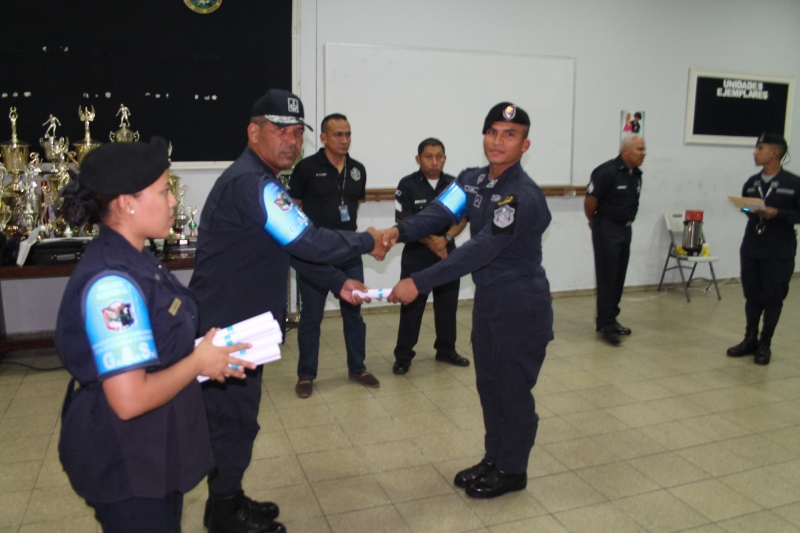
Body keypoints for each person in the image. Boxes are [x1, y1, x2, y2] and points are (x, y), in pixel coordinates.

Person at [189, 89, 386, 533]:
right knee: (231, 420)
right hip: (229, 329)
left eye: (297, 133)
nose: (291, 141)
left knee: (239, 417)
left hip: (245, 324)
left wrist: (338, 282)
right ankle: (224, 513)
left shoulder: (263, 180)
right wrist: (366, 240)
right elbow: (306, 239)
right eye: (280, 131)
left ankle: (228, 497)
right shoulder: (251, 184)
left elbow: (289, 247)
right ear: (253, 131)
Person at [55, 138, 254, 533]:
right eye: (164, 192)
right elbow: (129, 399)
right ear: (127, 203)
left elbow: (157, 344)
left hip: (152, 450)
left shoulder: (137, 257)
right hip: (126, 463)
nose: (174, 201)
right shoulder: (112, 285)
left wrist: (206, 356)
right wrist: (197, 362)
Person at [385, 102, 553, 499]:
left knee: (512, 391)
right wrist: (396, 233)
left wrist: (419, 282)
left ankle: (512, 469)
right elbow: (437, 213)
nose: (499, 140)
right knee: (489, 385)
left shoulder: (521, 195)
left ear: (525, 145)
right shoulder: (472, 180)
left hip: (520, 308)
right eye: (493, 132)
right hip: (489, 303)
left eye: (510, 134)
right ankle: (494, 458)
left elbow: (479, 249)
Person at [287, 113, 379, 398]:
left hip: (349, 252)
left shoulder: (358, 170)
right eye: (338, 134)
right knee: (311, 317)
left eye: (348, 134)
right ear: (324, 137)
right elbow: (294, 208)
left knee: (354, 313)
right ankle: (306, 375)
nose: (344, 139)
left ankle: (358, 368)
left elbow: (352, 204)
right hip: (315, 253)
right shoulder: (306, 168)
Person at [392, 137, 468, 375]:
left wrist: (445, 238)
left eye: (439, 156)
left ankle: (446, 349)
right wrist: (433, 241)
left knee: (447, 304)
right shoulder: (407, 185)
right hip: (416, 253)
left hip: (447, 252)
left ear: (445, 158)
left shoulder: (454, 185)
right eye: (428, 156)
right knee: (412, 306)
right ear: (418, 159)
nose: (434, 161)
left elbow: (463, 218)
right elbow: (404, 220)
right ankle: (403, 356)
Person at [726, 132, 800, 365]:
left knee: (773, 296)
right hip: (752, 246)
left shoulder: (793, 183)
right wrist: (749, 209)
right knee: (752, 294)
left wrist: (778, 213)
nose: (755, 153)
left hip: (779, 249)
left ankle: (765, 343)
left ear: (774, 152)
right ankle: (750, 339)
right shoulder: (752, 182)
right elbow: (746, 206)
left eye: (760, 148)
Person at [584, 135, 646, 345]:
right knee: (607, 276)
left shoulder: (636, 174)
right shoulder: (606, 171)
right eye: (639, 149)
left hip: (625, 228)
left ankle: (611, 318)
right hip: (607, 228)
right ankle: (605, 324)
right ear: (625, 150)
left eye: (644, 149)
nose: (643, 153)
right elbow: (590, 200)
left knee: (619, 276)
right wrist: (594, 221)